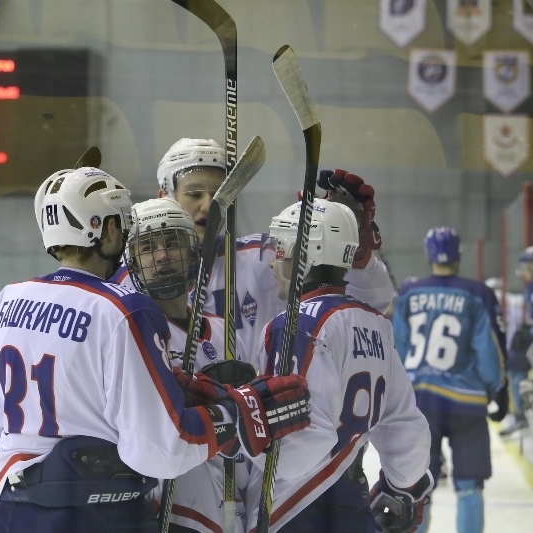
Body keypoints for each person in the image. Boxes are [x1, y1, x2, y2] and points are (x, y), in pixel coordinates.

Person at [0, 167, 312, 533]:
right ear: (108, 230)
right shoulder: (123, 309)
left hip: (13, 511)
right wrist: (240, 413)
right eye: (123, 225)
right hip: (94, 515)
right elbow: (161, 450)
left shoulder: (10, 298)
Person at [112, 139, 396, 361]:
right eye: (194, 194)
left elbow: (370, 302)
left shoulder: (263, 256)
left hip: (262, 414)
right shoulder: (130, 279)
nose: (209, 206)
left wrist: (347, 247)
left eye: (220, 194)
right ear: (165, 197)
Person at [254, 199, 433, 532]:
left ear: (306, 253)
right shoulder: (376, 323)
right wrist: (405, 485)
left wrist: (242, 434)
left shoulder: (294, 325)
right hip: (353, 499)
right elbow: (404, 423)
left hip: (295, 507)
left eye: (280, 248)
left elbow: (300, 447)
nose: (272, 262)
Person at [125, 197, 258, 532]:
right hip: (172, 513)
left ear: (193, 252)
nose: (162, 256)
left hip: (237, 507)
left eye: (172, 244)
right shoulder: (131, 334)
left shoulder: (227, 332)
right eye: (148, 248)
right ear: (133, 263)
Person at [391, 226, 508, 533]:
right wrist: (498, 389)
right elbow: (488, 351)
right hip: (467, 403)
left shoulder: (410, 293)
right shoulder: (478, 294)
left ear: (428, 254)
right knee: (470, 486)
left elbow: (397, 348)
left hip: (420, 403)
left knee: (418, 486)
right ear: (459, 254)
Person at [499, 246, 533, 436]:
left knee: (516, 364)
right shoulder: (530, 287)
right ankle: (520, 414)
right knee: (513, 362)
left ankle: (521, 414)